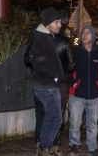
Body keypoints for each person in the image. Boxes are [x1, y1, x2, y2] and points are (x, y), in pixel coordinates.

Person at [27, 14, 74, 155]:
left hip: (50, 83)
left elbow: (31, 58)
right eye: (57, 22)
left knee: (51, 117)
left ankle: (45, 146)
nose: (60, 24)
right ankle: (45, 147)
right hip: (49, 85)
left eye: (60, 22)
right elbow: (29, 58)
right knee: (52, 117)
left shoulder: (47, 37)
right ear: (48, 23)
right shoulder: (43, 38)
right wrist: (54, 75)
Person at [68, 25, 98, 156]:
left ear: (94, 36)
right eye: (83, 33)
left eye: (88, 33)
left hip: (94, 95)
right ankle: (74, 143)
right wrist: (74, 83)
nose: (85, 35)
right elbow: (67, 69)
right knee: (75, 122)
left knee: (92, 124)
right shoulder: (75, 51)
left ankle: (92, 147)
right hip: (77, 94)